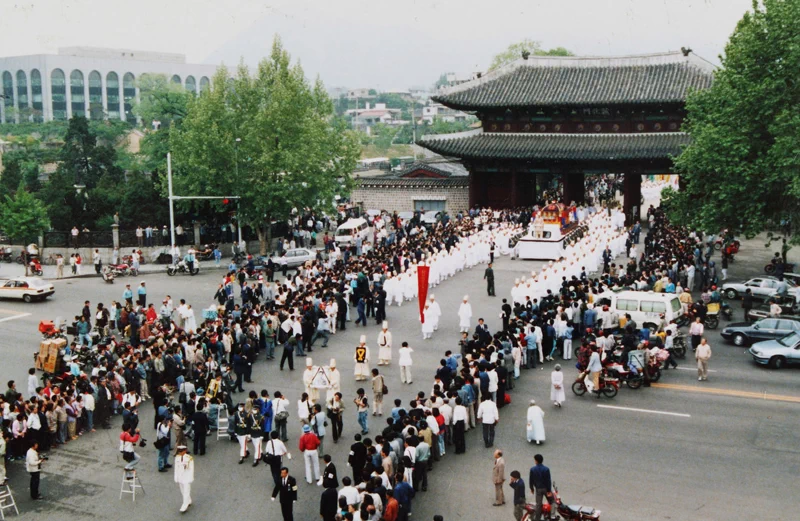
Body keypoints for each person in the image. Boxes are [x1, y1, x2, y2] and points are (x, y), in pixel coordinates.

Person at [528, 454, 553, 521]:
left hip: (538, 489)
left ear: (536, 461)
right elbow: (548, 480)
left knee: (538, 505)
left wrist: (532, 488)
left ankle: (537, 518)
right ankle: (551, 516)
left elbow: (531, 480)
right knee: (552, 501)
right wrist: (549, 490)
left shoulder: (532, 469)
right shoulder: (546, 469)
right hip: (545, 488)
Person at [174, 445, 194, 512]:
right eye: (179, 451)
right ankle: (188, 500)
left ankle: (184, 505)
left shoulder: (189, 458)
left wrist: (191, 478)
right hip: (180, 477)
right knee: (182, 490)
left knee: (186, 490)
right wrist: (176, 477)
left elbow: (191, 469)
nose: (180, 452)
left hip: (186, 477)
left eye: (181, 451)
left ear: (185, 451)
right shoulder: (177, 457)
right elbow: (176, 468)